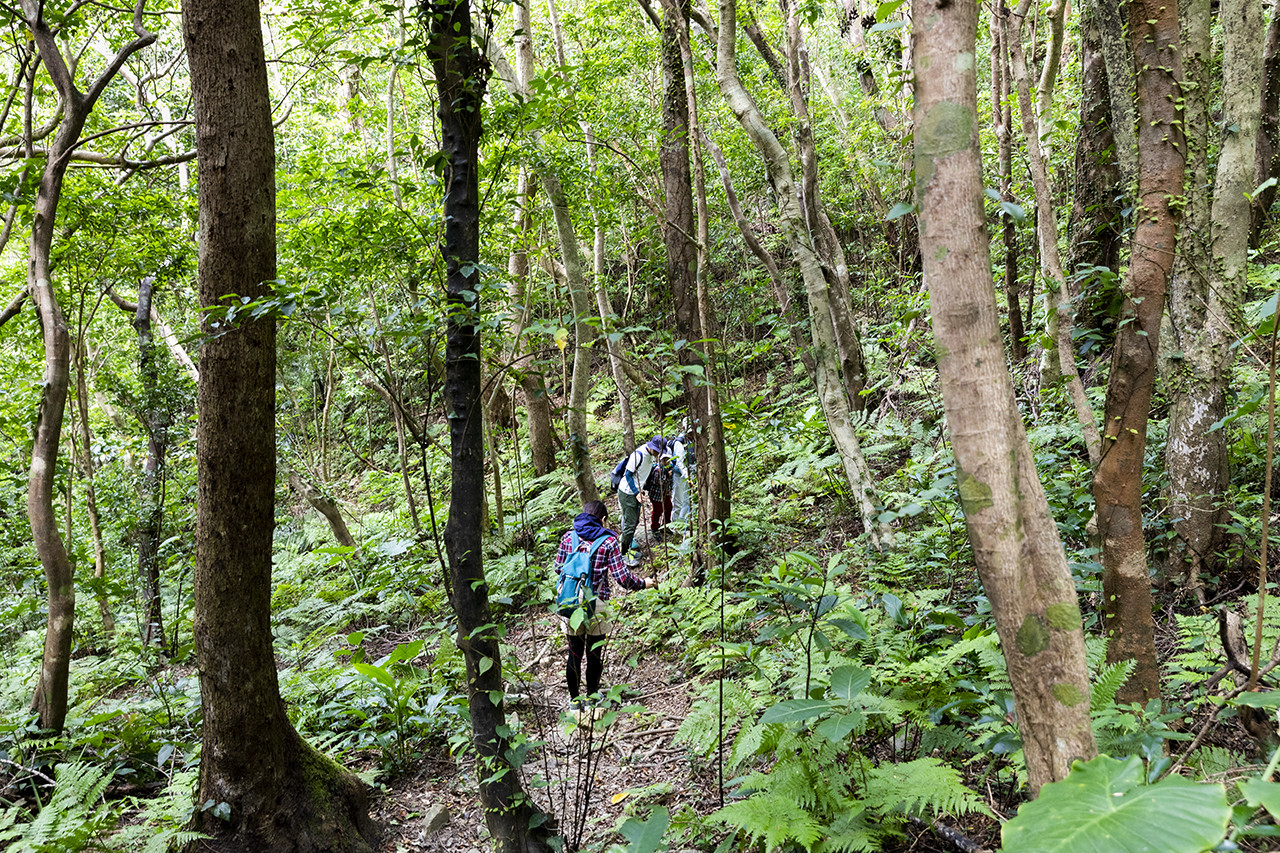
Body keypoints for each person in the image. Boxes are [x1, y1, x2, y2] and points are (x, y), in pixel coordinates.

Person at [553, 500, 656, 711]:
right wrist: (644, 583)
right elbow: (622, 578)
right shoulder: (608, 541)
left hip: (569, 601)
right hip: (596, 602)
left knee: (574, 651)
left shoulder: (568, 537)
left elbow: (557, 568)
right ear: (602, 519)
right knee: (594, 652)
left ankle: (574, 702)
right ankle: (592, 697)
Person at [615, 436, 667, 564]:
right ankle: (623, 555)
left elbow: (644, 475)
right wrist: (636, 492)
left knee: (635, 521)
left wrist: (645, 489)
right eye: (656, 451)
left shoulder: (650, 457)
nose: (657, 454)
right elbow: (627, 475)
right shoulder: (638, 455)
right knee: (629, 524)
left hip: (637, 492)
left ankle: (628, 550)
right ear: (651, 447)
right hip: (627, 493)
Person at [645, 453, 674, 540]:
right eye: (665, 460)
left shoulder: (668, 468)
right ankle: (655, 528)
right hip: (656, 495)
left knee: (668, 507)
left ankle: (666, 525)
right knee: (657, 511)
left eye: (668, 459)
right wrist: (667, 476)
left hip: (665, 493)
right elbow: (659, 482)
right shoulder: (658, 470)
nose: (667, 461)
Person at [668, 434, 692, 523]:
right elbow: (679, 462)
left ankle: (682, 522)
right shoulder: (679, 442)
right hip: (679, 474)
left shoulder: (693, 440)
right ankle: (675, 525)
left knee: (687, 500)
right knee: (678, 501)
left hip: (689, 474)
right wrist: (687, 476)